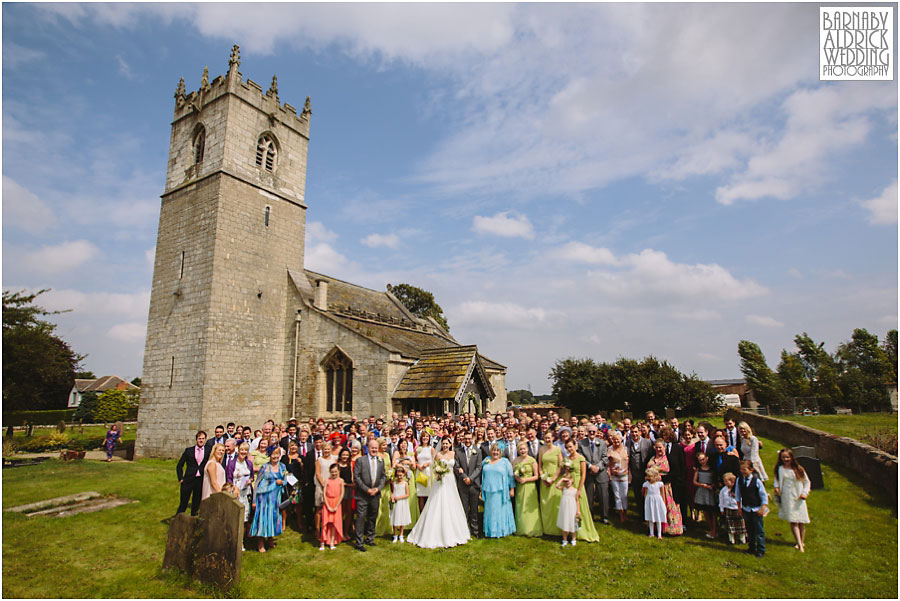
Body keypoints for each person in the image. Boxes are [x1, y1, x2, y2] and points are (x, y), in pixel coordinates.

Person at [407, 437, 470, 548]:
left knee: (451, 504)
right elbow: (434, 468)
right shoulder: (437, 455)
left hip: (450, 481)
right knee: (437, 503)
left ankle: (455, 532)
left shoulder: (454, 454)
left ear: (450, 444)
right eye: (443, 443)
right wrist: (438, 473)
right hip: (440, 481)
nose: (445, 445)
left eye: (447, 443)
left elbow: (456, 466)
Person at [773, 449, 810, 552]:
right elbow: (776, 480)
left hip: (798, 497)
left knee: (801, 521)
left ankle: (801, 541)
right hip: (787, 497)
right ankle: (799, 544)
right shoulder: (780, 469)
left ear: (792, 458)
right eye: (783, 457)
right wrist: (776, 487)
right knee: (793, 521)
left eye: (787, 457)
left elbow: (807, 482)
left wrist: (804, 493)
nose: (786, 459)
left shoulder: (798, 469)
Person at [250, 446, 286, 553]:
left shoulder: (282, 467)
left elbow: (285, 480)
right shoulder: (264, 467)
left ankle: (270, 538)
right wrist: (254, 500)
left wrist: (281, 482)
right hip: (263, 498)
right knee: (263, 519)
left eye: (277, 454)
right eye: (273, 454)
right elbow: (256, 484)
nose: (275, 456)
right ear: (269, 455)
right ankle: (260, 542)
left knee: (273, 518)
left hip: (275, 498)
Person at [352, 440, 385, 551]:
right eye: (372, 448)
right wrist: (367, 490)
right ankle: (359, 542)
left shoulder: (381, 461)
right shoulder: (360, 460)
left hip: (375, 494)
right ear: (367, 448)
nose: (374, 450)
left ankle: (370, 539)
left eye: (376, 448)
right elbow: (356, 477)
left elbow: (383, 477)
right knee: (361, 518)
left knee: (372, 517)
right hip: (362, 494)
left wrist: (378, 488)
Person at [564, 439, 599, 542]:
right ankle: (571, 530)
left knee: (580, 506)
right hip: (569, 483)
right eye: (567, 447)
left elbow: (583, 474)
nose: (569, 449)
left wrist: (579, 489)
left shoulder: (581, 458)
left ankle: (583, 530)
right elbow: (566, 473)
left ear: (575, 446)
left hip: (578, 482)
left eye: (571, 446)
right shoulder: (566, 459)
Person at [647, 440, 683, 536]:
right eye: (657, 447)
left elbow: (676, 473)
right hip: (653, 487)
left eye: (660, 447)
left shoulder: (670, 458)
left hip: (666, 487)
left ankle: (670, 528)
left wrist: (662, 478)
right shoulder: (651, 458)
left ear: (664, 448)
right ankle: (655, 527)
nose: (658, 449)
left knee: (667, 506)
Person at [481, 443, 516, 538]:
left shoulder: (505, 462)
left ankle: (502, 530)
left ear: (500, 452)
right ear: (490, 451)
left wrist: (511, 489)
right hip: (488, 491)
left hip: (501, 491)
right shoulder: (486, 461)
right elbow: (482, 476)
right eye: (493, 450)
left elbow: (511, 476)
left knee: (500, 511)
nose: (495, 452)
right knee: (490, 511)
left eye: (497, 450)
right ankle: (490, 530)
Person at [735, 460, 768, 558]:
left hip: (756, 509)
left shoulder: (756, 481)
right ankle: (751, 547)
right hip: (746, 508)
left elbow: (763, 496)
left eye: (744, 469)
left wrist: (762, 508)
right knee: (749, 529)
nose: (742, 471)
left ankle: (761, 549)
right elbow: (738, 495)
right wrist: (739, 508)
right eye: (741, 470)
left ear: (751, 470)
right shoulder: (739, 480)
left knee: (758, 530)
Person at [577, 425, 610, 524]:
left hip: (600, 472)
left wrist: (597, 467)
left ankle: (604, 517)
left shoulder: (602, 443)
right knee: (588, 496)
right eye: (590, 431)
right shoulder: (581, 443)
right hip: (588, 472)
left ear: (597, 432)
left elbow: (605, 458)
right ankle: (590, 516)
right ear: (587, 432)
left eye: (593, 432)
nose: (592, 433)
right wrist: (590, 466)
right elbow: (581, 457)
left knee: (603, 495)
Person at [455, 430, 483, 537]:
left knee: (474, 510)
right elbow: (456, 466)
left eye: (469, 438)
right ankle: (464, 532)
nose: (467, 440)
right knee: (463, 509)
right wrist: (464, 477)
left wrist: (470, 478)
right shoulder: (458, 451)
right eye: (465, 438)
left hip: (474, 484)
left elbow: (479, 467)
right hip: (463, 484)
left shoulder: (478, 451)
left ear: (472, 439)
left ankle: (475, 532)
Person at [175, 431, 210, 517]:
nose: (201, 440)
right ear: (196, 439)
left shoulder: (208, 451)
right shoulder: (189, 451)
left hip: (200, 480)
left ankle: (193, 520)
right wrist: (180, 478)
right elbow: (179, 465)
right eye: (199, 439)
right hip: (188, 479)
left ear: (205, 439)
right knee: (183, 502)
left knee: (196, 502)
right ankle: (178, 520)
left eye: (203, 439)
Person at [512, 441, 542, 537]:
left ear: (527, 449)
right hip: (520, 487)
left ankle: (532, 529)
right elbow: (512, 474)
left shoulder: (532, 460)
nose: (522, 451)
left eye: (524, 449)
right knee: (520, 506)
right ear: (518, 450)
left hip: (530, 486)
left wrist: (525, 479)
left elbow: (537, 476)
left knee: (530, 508)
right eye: (520, 449)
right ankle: (521, 528)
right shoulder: (515, 461)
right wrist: (517, 478)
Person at [538, 430, 563, 536]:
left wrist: (553, 478)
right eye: (546, 438)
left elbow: (560, 465)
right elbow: (539, 465)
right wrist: (543, 477)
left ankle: (557, 528)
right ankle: (547, 528)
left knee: (555, 503)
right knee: (546, 503)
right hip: (544, 479)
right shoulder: (541, 450)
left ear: (553, 438)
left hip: (555, 479)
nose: (547, 440)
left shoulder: (557, 449)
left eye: (549, 438)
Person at [626, 425, 653, 521]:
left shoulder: (648, 442)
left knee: (647, 494)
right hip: (634, 472)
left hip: (644, 472)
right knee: (637, 495)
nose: (634, 434)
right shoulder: (628, 443)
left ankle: (649, 516)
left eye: (636, 432)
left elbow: (651, 456)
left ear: (640, 432)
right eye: (632, 432)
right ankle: (641, 515)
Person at [230, 442, 254, 548]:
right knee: (235, 518)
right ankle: (232, 540)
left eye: (245, 450)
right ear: (238, 450)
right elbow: (229, 479)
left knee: (244, 519)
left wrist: (249, 480)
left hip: (245, 493)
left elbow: (252, 475)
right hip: (235, 492)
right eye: (242, 450)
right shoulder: (231, 463)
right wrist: (234, 488)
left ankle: (241, 542)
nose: (243, 452)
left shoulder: (248, 463)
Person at [392, 439, 419, 528]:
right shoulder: (396, 453)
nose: (403, 445)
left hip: (409, 478)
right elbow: (394, 464)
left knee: (410, 499)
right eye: (402, 444)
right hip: (400, 477)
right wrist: (402, 465)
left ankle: (409, 523)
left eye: (405, 444)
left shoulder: (410, 455)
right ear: (399, 445)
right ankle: (398, 522)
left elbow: (414, 467)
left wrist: (409, 463)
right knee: (400, 500)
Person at [320, 463, 345, 551]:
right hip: (327, 503)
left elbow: (342, 494)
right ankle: (322, 542)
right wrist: (327, 505)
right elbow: (324, 493)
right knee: (325, 523)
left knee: (334, 524)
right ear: (329, 472)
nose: (334, 473)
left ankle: (332, 541)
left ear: (338, 471)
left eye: (335, 472)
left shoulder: (341, 481)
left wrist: (336, 505)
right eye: (332, 472)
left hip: (336, 503)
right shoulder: (327, 480)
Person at [693, 452, 717, 539]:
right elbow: (694, 481)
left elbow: (715, 480)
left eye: (703, 459)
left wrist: (712, 486)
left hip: (710, 491)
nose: (702, 461)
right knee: (705, 511)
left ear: (707, 458)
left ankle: (714, 529)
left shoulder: (712, 469)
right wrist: (701, 485)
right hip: (702, 490)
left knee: (713, 512)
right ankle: (710, 528)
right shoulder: (698, 470)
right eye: (700, 460)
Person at [718, 472, 746, 545]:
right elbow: (721, 500)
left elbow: (741, 499)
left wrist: (742, 507)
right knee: (730, 526)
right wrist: (721, 509)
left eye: (726, 481)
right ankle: (731, 540)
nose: (725, 483)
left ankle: (742, 539)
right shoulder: (723, 490)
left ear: (733, 481)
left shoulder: (737, 489)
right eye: (724, 481)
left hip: (737, 509)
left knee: (741, 525)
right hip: (728, 509)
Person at [607, 432, 629, 523]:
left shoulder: (626, 449)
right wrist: (610, 471)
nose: (616, 441)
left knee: (624, 495)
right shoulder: (609, 449)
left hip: (624, 475)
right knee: (617, 495)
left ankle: (625, 513)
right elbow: (607, 463)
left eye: (618, 439)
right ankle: (620, 515)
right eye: (614, 439)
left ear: (621, 440)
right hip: (614, 476)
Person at [314, 441, 334, 538]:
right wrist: (323, 485)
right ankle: (317, 530)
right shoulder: (319, 460)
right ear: (322, 450)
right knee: (319, 509)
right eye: (325, 449)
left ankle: (328, 530)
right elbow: (317, 473)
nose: (327, 451)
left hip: (331, 486)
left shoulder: (334, 460)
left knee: (329, 509)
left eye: (328, 449)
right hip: (321, 486)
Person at [555, 466, 579, 546]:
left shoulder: (575, 490)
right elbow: (556, 485)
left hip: (572, 509)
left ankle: (573, 539)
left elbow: (577, 501)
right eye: (565, 481)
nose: (567, 483)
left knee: (572, 524)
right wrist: (562, 479)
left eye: (568, 481)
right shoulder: (563, 489)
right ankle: (564, 539)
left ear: (572, 480)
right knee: (564, 523)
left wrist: (578, 511)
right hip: (564, 509)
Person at [642, 467, 667, 539]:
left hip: (657, 501)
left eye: (650, 476)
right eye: (648, 476)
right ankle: (651, 533)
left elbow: (662, 494)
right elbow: (645, 494)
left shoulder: (660, 484)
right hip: (650, 501)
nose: (648, 478)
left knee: (658, 517)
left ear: (655, 476)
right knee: (650, 517)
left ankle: (659, 534)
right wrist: (646, 502)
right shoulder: (646, 484)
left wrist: (663, 503)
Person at [336, 447, 355, 538]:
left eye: (347, 455)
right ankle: (339, 533)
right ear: (340, 455)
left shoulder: (349, 465)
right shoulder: (337, 465)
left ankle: (346, 532)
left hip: (349, 490)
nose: (345, 456)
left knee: (348, 512)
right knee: (340, 513)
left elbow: (351, 478)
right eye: (343, 454)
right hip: (340, 490)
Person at [390, 466, 411, 543]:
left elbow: (407, 494)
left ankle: (401, 534)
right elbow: (392, 492)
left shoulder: (405, 483)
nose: (399, 477)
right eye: (398, 475)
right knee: (394, 518)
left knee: (402, 518)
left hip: (402, 502)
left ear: (403, 475)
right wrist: (392, 496)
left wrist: (398, 497)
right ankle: (395, 535)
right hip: (395, 503)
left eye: (401, 475)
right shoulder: (394, 483)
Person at [416, 431, 436, 512]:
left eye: (427, 437)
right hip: (420, 472)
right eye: (423, 436)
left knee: (428, 494)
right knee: (420, 495)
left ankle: (428, 513)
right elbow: (415, 459)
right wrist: (418, 465)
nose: (425, 438)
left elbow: (434, 460)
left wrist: (427, 463)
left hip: (428, 472)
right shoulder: (418, 449)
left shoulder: (431, 448)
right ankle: (421, 514)